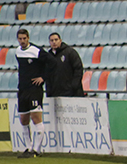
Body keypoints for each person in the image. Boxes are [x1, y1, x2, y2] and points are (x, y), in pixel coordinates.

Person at [14, 28, 53, 157]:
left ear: (28, 38)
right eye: (20, 39)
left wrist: (43, 77)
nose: (22, 41)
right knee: (23, 119)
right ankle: (28, 147)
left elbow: (52, 62)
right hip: (23, 90)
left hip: (34, 89)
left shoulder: (36, 51)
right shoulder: (18, 52)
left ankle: (37, 150)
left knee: (36, 118)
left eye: (24, 38)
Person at [45, 32, 84, 97]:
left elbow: (78, 69)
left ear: (60, 40)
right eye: (52, 40)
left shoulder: (70, 52)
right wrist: (49, 91)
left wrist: (74, 86)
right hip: (55, 93)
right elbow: (47, 74)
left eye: (56, 40)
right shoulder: (48, 56)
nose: (54, 42)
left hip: (71, 93)